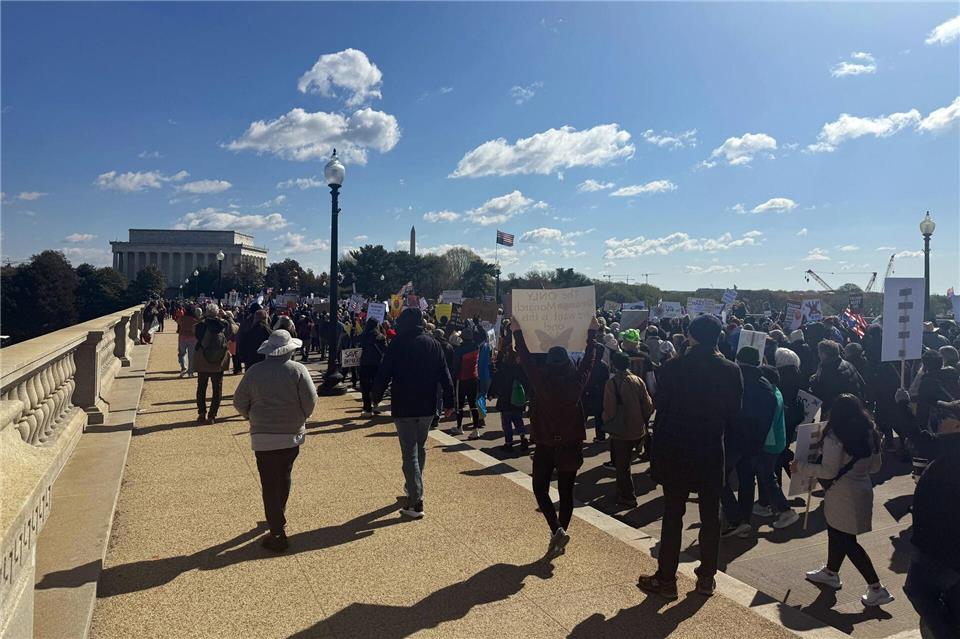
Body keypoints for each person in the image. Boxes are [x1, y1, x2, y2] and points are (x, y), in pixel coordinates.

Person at [638, 314, 743, 600]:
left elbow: (661, 404)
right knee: (711, 516)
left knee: (673, 514)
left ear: (692, 336)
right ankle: (706, 578)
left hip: (677, 448)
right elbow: (734, 412)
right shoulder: (731, 369)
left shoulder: (673, 367)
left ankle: (666, 578)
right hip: (710, 448)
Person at [511, 315, 600, 559]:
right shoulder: (576, 384)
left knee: (540, 488)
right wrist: (593, 334)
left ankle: (556, 530)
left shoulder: (541, 382)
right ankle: (560, 535)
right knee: (567, 493)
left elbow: (527, 361)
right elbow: (589, 362)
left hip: (545, 444)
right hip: (570, 445)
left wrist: (517, 331)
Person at [796, 394, 894, 607]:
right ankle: (831, 572)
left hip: (842, 491)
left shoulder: (834, 436)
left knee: (846, 540)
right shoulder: (871, 431)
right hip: (862, 488)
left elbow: (828, 471)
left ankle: (876, 587)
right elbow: (875, 467)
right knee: (838, 533)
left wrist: (801, 467)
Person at [233, 329, 318, 552]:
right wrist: (302, 416)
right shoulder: (298, 370)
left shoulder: (254, 371)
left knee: (269, 482)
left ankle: (277, 528)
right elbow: (310, 401)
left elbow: (239, 401)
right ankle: (278, 515)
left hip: (263, 434)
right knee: (284, 475)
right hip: (291, 432)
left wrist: (250, 415)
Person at [371, 308, 455, 519]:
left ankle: (416, 500)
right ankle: (412, 485)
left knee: (409, 453)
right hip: (427, 405)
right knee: (419, 447)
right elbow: (445, 374)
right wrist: (450, 401)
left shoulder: (397, 344)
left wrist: (376, 395)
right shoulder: (433, 344)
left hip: (404, 404)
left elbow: (384, 371)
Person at [904, 400, 960, 638]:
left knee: (918, 590)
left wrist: (902, 408)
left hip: (937, 546)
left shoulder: (951, 451)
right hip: (947, 545)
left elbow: (921, 440)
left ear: (957, 425)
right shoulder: (949, 450)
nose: (940, 420)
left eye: (945, 416)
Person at [602, 350, 653, 508]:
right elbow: (648, 404)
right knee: (630, 460)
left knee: (622, 467)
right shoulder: (638, 380)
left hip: (621, 431)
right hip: (638, 428)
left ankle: (627, 495)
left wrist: (606, 420)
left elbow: (609, 409)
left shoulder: (612, 383)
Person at [194, 304, 232, 425]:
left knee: (201, 387)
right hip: (218, 360)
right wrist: (225, 316)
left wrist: (203, 318)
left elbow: (194, 332)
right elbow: (233, 329)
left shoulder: (200, 325)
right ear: (217, 313)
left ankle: (201, 413)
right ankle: (212, 415)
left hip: (203, 359)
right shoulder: (224, 325)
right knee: (217, 389)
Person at [491, 332, 529, 451]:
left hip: (505, 399)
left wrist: (491, 393)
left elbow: (497, 381)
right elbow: (526, 382)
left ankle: (509, 442)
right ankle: (523, 436)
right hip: (518, 398)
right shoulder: (521, 369)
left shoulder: (504, 369)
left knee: (506, 422)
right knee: (518, 420)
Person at [810, 339, 864, 417]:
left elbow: (823, 393)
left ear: (824, 354)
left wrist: (813, 382)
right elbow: (862, 384)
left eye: (819, 352)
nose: (818, 355)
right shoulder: (848, 364)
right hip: (854, 407)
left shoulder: (829, 370)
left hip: (839, 412)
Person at [451, 326, 481, 438]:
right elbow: (481, 335)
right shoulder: (476, 346)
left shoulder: (459, 349)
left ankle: (459, 427)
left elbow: (456, 365)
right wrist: (477, 324)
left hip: (462, 378)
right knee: (473, 404)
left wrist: (453, 377)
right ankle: (476, 429)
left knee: (459, 404)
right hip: (473, 377)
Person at [358, 318, 386, 416]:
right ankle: (376, 404)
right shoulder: (381, 337)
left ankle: (367, 408)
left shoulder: (363, 336)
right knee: (377, 385)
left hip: (365, 364)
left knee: (365, 387)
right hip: (377, 364)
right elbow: (385, 350)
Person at [176, 304, 200, 377]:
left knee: (182, 354)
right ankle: (190, 371)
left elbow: (178, 322)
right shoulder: (195, 320)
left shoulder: (182, 318)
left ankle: (183, 368)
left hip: (182, 337)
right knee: (191, 356)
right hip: (192, 338)